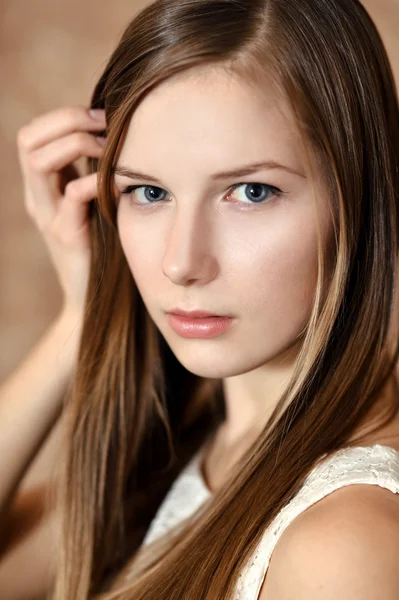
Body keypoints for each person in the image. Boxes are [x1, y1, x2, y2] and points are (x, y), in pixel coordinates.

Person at [2, 0, 399, 598]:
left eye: (252, 191)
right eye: (149, 192)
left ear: (358, 194)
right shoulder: (186, 455)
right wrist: (82, 318)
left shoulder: (345, 543)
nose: (181, 263)